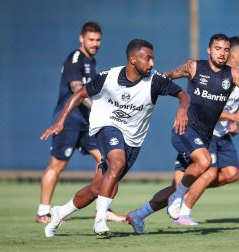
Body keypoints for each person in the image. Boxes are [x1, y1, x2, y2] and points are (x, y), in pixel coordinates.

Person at [40, 39, 189, 238]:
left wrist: (182, 109)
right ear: (133, 59)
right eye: (148, 58)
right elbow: (79, 94)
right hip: (106, 126)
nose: (152, 63)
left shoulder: (156, 80)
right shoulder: (108, 77)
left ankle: (60, 212)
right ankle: (100, 221)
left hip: (133, 140)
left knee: (97, 188)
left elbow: (183, 95)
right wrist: (60, 122)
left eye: (153, 58)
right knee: (117, 162)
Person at [126, 33, 239, 234]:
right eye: (217, 49)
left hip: (203, 137)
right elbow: (167, 76)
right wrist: (144, 85)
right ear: (209, 50)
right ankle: (179, 199)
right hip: (184, 129)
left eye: (225, 49)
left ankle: (138, 215)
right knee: (204, 163)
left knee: (176, 186)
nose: (222, 53)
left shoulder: (232, 74)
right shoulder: (194, 66)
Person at [36, 21, 125, 224]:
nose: (95, 43)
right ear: (81, 38)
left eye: (98, 40)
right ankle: (43, 212)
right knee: (56, 166)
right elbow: (77, 88)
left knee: (109, 161)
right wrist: (97, 108)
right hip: (69, 122)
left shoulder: (90, 61)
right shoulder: (75, 58)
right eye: (91, 39)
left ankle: (103, 209)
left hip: (87, 124)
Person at [173, 36, 239, 226]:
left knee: (232, 174)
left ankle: (186, 188)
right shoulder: (214, 75)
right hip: (204, 133)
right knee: (209, 172)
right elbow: (208, 110)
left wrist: (236, 121)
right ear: (233, 53)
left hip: (223, 133)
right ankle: (183, 214)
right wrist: (233, 118)